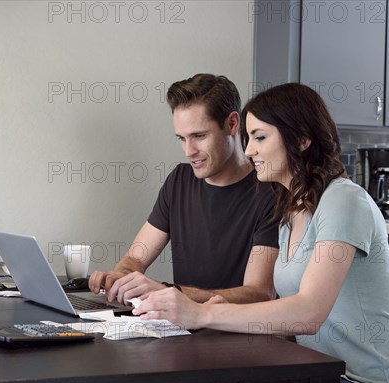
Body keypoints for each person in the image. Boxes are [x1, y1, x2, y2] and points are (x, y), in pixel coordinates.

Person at [132, 83, 389, 383]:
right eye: (248, 139)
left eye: (260, 137)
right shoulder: (290, 212)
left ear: (301, 140)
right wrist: (222, 323)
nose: (248, 151)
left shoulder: (343, 200)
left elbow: (308, 313)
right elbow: (291, 328)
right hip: (323, 376)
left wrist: (204, 313)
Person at [89, 74, 280, 305]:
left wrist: (169, 291)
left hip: (236, 336)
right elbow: (134, 259)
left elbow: (259, 293)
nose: (189, 151)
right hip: (184, 332)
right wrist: (120, 278)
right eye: (181, 138)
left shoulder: (271, 193)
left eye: (199, 136)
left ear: (232, 124)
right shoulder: (179, 180)